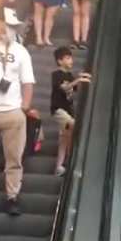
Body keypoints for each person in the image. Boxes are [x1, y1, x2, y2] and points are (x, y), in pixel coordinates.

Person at [0, 20, 35, 216]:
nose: (4, 30)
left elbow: (27, 81)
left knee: (14, 158)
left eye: (9, 26)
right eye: (2, 25)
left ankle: (12, 196)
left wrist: (24, 107)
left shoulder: (20, 51)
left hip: (12, 110)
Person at [51, 46, 91, 175]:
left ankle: (59, 167)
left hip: (68, 109)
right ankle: (71, 156)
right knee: (73, 125)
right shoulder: (56, 74)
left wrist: (82, 79)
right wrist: (78, 80)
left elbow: (74, 90)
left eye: (71, 57)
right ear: (59, 61)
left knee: (64, 137)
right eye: (67, 58)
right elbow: (65, 88)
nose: (71, 60)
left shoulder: (69, 75)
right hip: (58, 109)